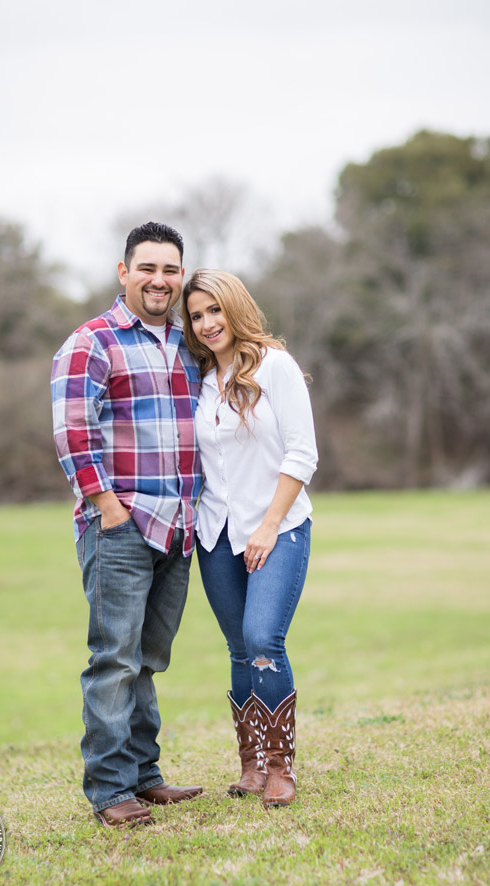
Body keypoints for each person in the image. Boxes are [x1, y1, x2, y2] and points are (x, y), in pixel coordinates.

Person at [51, 223, 204, 827]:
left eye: (171, 270)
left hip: (180, 526)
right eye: (148, 269)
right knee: (114, 658)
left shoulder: (186, 346)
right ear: (124, 272)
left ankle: (145, 776)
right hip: (120, 526)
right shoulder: (92, 343)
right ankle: (111, 790)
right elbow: (71, 432)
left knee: (149, 659)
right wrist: (106, 507)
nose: (160, 280)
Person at [182, 269, 318, 808]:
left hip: (277, 529)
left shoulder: (274, 366)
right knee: (239, 650)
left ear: (235, 308)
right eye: (196, 315)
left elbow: (302, 452)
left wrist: (267, 525)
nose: (207, 323)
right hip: (215, 532)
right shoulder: (198, 380)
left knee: (263, 639)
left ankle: (281, 766)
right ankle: (251, 764)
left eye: (215, 310)